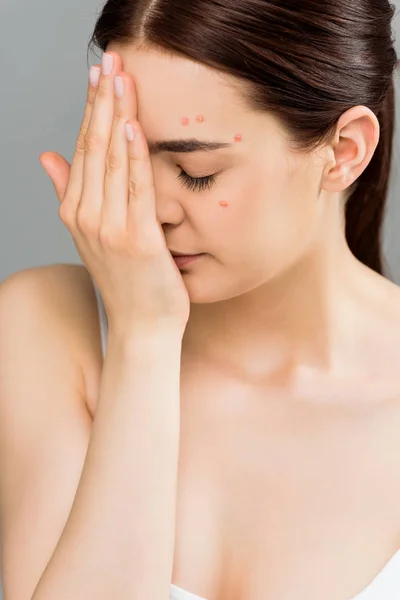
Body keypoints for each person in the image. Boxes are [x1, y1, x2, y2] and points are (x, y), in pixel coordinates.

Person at [1, 0, 400, 599]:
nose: (153, 211)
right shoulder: (46, 329)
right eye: (128, 157)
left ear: (344, 151)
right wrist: (145, 337)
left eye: (196, 172)